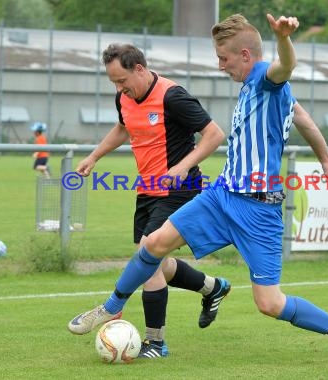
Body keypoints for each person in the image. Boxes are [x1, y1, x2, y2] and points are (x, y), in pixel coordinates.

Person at [68, 14, 328, 365]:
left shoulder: (264, 77)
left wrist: (284, 39)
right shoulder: (256, 91)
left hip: (259, 211)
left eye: (223, 57)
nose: (220, 65)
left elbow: (285, 67)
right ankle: (111, 307)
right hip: (222, 196)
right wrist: (325, 155)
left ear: (245, 55)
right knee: (153, 244)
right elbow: (299, 115)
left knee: (269, 303)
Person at [70, 43, 230, 358]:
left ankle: (156, 342)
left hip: (180, 188)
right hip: (148, 189)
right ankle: (213, 287)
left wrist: (182, 166)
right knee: (154, 261)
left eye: (122, 80)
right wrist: (94, 157)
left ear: (140, 69)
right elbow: (123, 128)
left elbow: (214, 134)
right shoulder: (124, 98)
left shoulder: (173, 96)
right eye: (114, 82)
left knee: (148, 255)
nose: (119, 88)